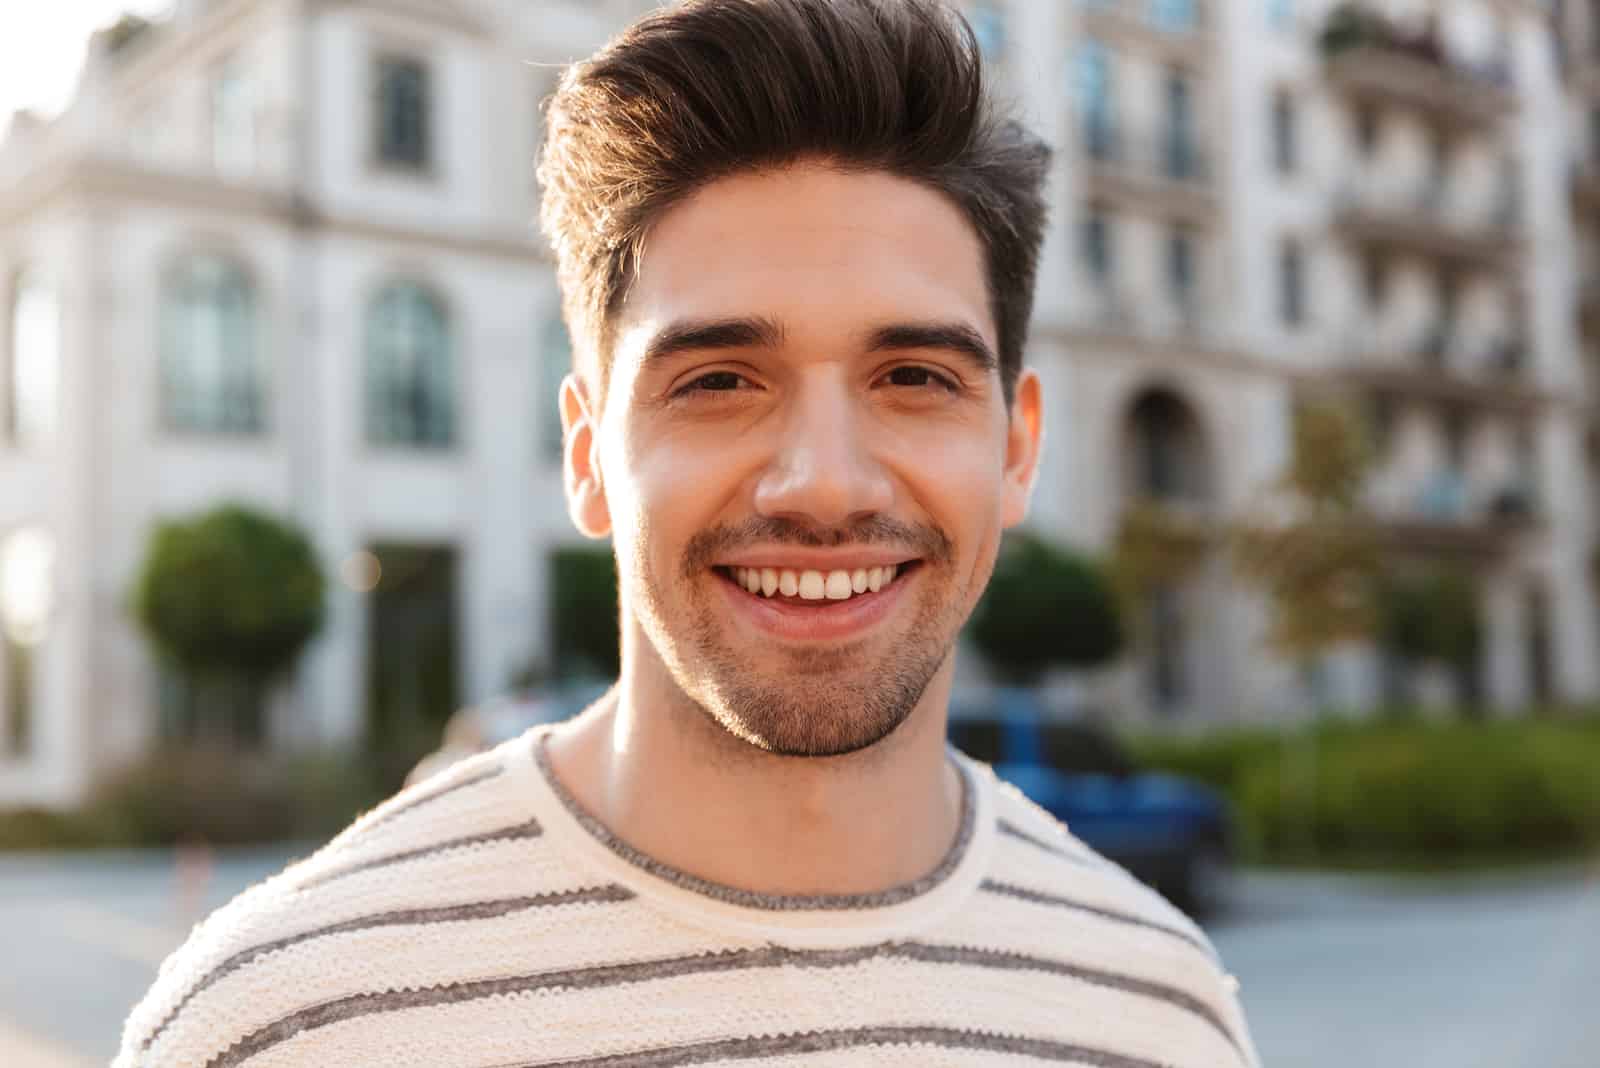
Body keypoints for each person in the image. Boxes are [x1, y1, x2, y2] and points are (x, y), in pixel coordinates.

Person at [116, 1, 1259, 1064]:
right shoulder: (281, 1022)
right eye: (718, 380)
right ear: (586, 453)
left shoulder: (1160, 1006)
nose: (823, 484)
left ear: (1015, 447)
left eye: (913, 375)